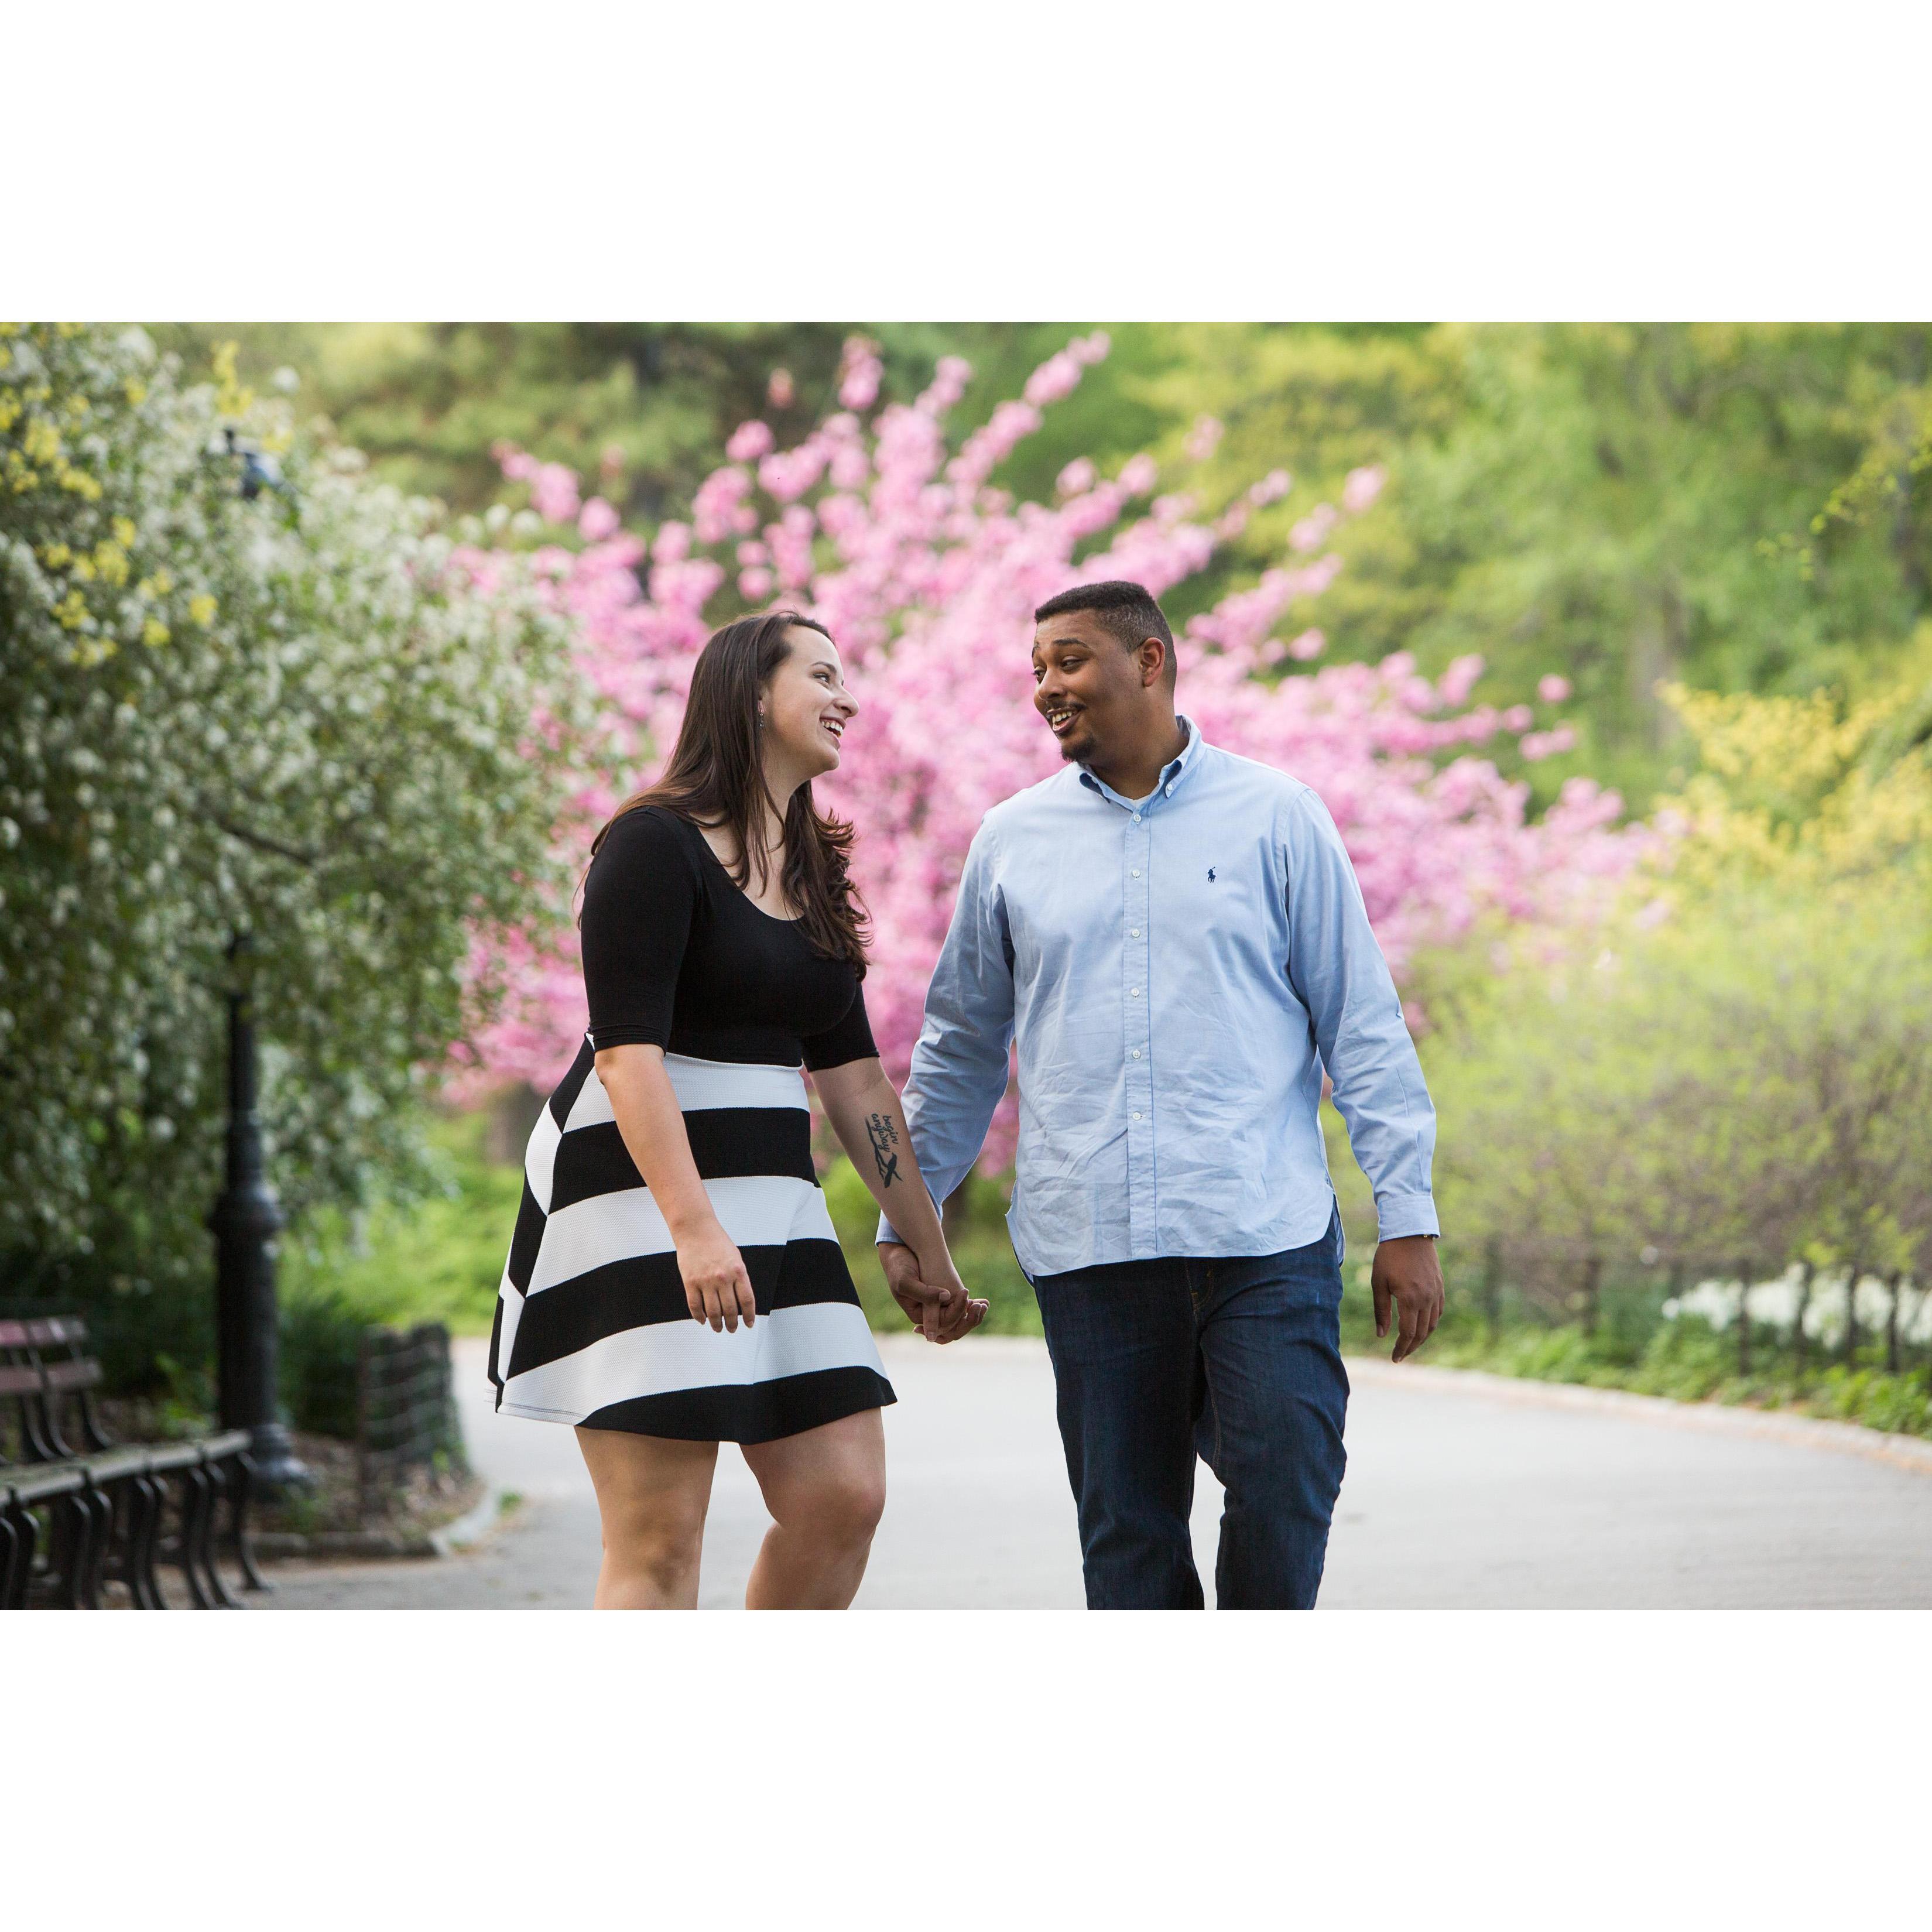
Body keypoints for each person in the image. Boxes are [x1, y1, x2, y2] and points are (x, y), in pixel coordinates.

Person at [878, 580, 1444, 1610]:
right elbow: (961, 1046)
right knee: (1129, 1539)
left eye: (1071, 660)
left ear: (1150, 661)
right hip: (1092, 1246)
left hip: (1261, 1234)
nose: (1048, 688)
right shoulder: (1011, 840)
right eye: (1038, 668)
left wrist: (1407, 1216)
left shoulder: (1278, 816)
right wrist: (909, 1219)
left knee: (1288, 1483)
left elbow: (1360, 1024)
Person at [488, 611, 985, 1609]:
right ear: (754, 693)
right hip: (642, 1204)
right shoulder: (650, 846)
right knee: (660, 1545)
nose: (848, 698)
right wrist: (693, 1229)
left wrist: (927, 1248)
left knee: (843, 1496)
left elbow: (857, 1083)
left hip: (777, 1205)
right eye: (824, 676)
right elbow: (628, 1056)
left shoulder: (813, 874)